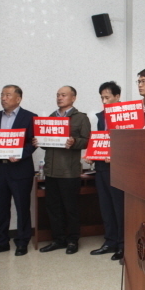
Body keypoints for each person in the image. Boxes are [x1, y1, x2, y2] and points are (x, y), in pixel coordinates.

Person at [0, 85, 37, 257]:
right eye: (2, 95)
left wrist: (20, 154)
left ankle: (22, 242)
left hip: (20, 170)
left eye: (7, 95)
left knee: (22, 208)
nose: (3, 98)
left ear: (18, 99)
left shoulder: (30, 117)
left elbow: (33, 143)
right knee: (0, 208)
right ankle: (0, 243)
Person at [35, 86, 91, 255]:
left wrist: (74, 142)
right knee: (53, 207)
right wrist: (39, 141)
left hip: (69, 171)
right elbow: (47, 143)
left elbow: (87, 141)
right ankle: (58, 239)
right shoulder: (51, 118)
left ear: (73, 98)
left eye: (64, 95)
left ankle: (73, 240)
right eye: (58, 95)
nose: (59, 97)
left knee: (70, 207)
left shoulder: (81, 118)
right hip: (51, 170)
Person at [85, 81, 124, 261]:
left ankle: (123, 244)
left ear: (117, 97)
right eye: (102, 98)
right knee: (105, 206)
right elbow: (97, 140)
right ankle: (110, 241)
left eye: (107, 97)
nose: (105, 101)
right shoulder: (99, 117)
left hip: (119, 168)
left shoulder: (127, 116)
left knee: (119, 207)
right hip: (101, 167)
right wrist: (91, 154)